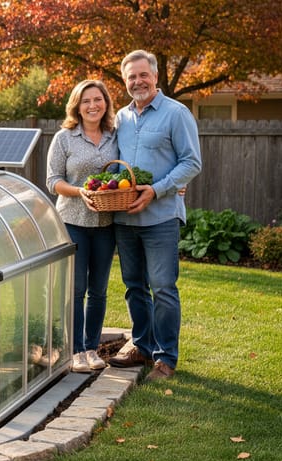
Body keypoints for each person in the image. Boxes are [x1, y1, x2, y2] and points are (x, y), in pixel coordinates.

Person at [108, 50, 202, 381]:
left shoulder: (177, 114)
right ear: (125, 81)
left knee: (162, 287)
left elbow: (191, 162)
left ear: (156, 77)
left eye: (143, 75)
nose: (138, 81)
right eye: (131, 76)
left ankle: (166, 358)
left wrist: (157, 189)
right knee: (134, 286)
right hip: (125, 219)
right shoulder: (119, 118)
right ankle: (143, 346)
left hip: (160, 217)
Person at [47, 79, 118, 373]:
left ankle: (92, 348)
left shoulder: (115, 136)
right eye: (86, 100)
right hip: (73, 221)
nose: (93, 105)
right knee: (76, 289)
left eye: (98, 100)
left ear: (106, 104)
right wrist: (81, 192)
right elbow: (53, 181)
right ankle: (75, 350)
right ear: (77, 105)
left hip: (106, 222)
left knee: (99, 289)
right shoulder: (64, 138)